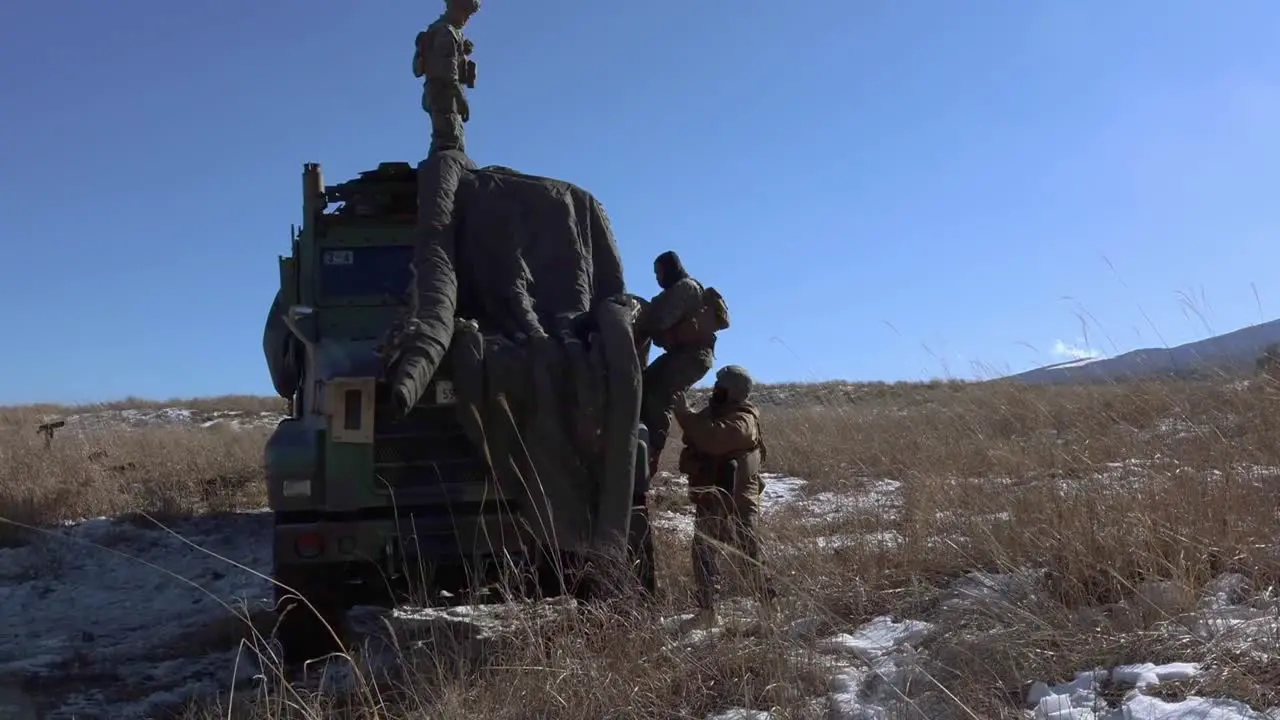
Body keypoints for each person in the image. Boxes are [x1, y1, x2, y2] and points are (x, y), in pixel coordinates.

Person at [672, 365, 774, 629]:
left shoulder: (744, 419)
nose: (715, 389)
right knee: (703, 552)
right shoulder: (716, 413)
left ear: (733, 391)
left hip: (737, 501)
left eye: (721, 385)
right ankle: (708, 611)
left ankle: (769, 609)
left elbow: (713, 438)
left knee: (749, 551)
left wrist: (685, 415)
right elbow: (697, 435)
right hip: (713, 497)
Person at [636, 251, 724, 478]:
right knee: (645, 384)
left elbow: (661, 319)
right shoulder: (680, 289)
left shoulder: (685, 288)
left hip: (692, 356)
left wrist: (644, 318)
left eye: (659, 273)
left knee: (659, 396)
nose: (657, 278)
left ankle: (650, 458)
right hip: (684, 354)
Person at [412, 0, 480, 155]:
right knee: (450, 141)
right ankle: (441, 175)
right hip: (444, 93)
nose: (466, 20)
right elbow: (447, 71)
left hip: (439, 92)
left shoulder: (441, 31)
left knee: (447, 139)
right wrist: (461, 99)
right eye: (466, 14)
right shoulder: (446, 32)